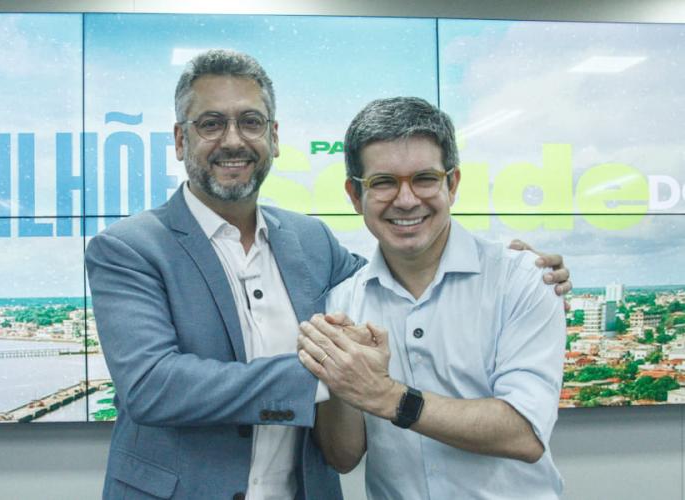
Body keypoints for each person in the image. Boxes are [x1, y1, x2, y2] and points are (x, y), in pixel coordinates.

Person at [86, 50, 570, 500]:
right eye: (211, 123)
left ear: (274, 137)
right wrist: (332, 377)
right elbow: (152, 385)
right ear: (180, 140)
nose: (233, 140)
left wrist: (518, 268)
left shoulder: (310, 241)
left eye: (250, 122)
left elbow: (404, 266)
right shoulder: (128, 248)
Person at [298, 97, 567, 499]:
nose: (406, 200)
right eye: (383, 182)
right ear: (355, 195)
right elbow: (343, 456)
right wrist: (345, 380)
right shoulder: (342, 303)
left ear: (452, 184)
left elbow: (525, 433)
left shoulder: (522, 280)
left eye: (424, 178)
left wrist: (388, 396)